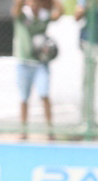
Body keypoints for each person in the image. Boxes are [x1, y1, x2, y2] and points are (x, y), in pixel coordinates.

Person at [11, 0, 64, 140]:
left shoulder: (43, 17)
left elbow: (60, 13)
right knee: (23, 98)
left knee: (44, 94)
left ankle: (49, 129)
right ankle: (23, 130)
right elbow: (16, 9)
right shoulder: (22, 17)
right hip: (24, 63)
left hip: (40, 63)